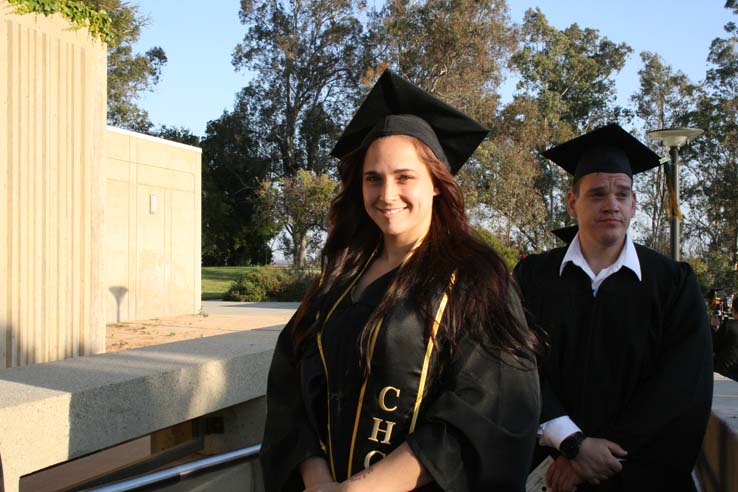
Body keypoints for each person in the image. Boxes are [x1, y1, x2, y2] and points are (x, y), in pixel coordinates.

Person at [260, 69, 543, 492]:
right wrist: (315, 476)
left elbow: (489, 407)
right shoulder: (340, 277)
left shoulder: (476, 278)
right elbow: (290, 386)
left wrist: (364, 488)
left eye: (404, 176)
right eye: (373, 178)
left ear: (436, 185)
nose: (386, 194)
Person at [514, 124, 713, 492]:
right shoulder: (532, 277)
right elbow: (512, 364)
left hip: (639, 477)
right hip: (549, 472)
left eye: (622, 194)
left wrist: (595, 459)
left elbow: (682, 387)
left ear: (634, 204)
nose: (612, 204)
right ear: (572, 202)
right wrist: (569, 442)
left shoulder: (672, 283)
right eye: (598, 194)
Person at [714, 294, 738, 381]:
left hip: (726, 371)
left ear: (734, 310)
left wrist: (714, 328)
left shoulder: (728, 326)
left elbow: (714, 346)